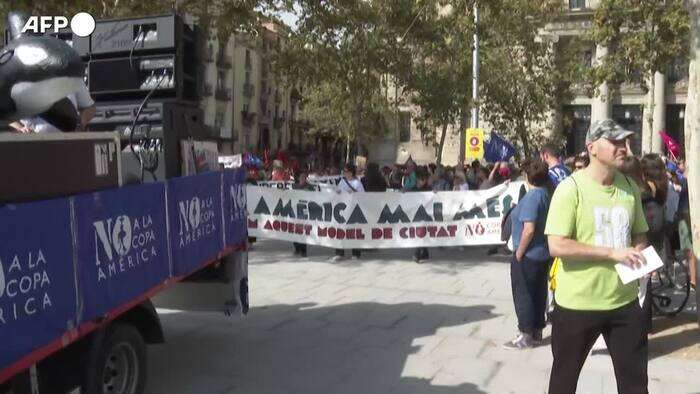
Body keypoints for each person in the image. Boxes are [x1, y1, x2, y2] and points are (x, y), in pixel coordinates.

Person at [545, 119, 649, 394]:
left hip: (624, 304)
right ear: (592, 147)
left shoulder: (629, 188)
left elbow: (640, 234)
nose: (623, 148)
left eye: (624, 142)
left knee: (635, 385)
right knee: (563, 383)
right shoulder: (570, 189)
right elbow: (557, 245)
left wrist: (640, 255)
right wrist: (612, 253)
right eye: (614, 142)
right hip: (577, 305)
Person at [503, 160, 552, 349]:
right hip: (541, 252)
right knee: (538, 292)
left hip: (528, 253)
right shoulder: (545, 195)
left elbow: (529, 229)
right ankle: (537, 330)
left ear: (526, 176)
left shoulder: (532, 196)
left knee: (523, 294)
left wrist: (519, 253)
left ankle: (525, 333)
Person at [9, 82, 96, 133]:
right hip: (33, 146)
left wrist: (81, 124)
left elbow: (89, 108)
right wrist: (20, 128)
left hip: (68, 143)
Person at [332, 163, 364, 261]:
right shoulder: (342, 181)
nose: (345, 173)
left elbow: (363, 196)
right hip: (342, 210)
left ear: (351, 172)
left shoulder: (357, 183)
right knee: (340, 231)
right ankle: (339, 252)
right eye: (344, 171)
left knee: (354, 231)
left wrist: (354, 193)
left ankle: (356, 253)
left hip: (353, 209)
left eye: (346, 171)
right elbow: (337, 191)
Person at [292, 172, 315, 257]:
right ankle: (297, 248)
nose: (302, 179)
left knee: (302, 231)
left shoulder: (310, 187)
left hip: (304, 211)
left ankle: (303, 250)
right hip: (295, 211)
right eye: (301, 177)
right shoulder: (295, 186)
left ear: (306, 179)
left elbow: (314, 196)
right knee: (294, 230)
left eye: (304, 177)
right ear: (298, 178)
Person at [411, 168, 432, 262]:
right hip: (417, 216)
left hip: (425, 216)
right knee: (420, 234)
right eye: (420, 179)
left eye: (423, 180)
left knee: (421, 234)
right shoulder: (414, 189)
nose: (421, 181)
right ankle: (425, 253)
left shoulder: (428, 189)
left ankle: (417, 253)